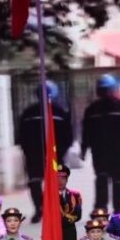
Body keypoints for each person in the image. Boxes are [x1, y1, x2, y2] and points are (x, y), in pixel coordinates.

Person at [80, 74, 120, 211]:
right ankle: (101, 208)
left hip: (118, 151)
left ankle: (118, 209)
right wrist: (84, 149)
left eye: (107, 90)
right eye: (102, 90)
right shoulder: (92, 110)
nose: (105, 93)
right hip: (99, 151)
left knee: (118, 181)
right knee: (101, 179)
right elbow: (86, 131)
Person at [17, 80, 73, 223]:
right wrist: (62, 151)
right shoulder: (60, 112)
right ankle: (48, 209)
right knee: (50, 182)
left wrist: (27, 150)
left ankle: (42, 209)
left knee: (38, 182)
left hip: (38, 154)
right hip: (50, 154)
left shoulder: (29, 113)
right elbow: (68, 136)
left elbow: (20, 135)